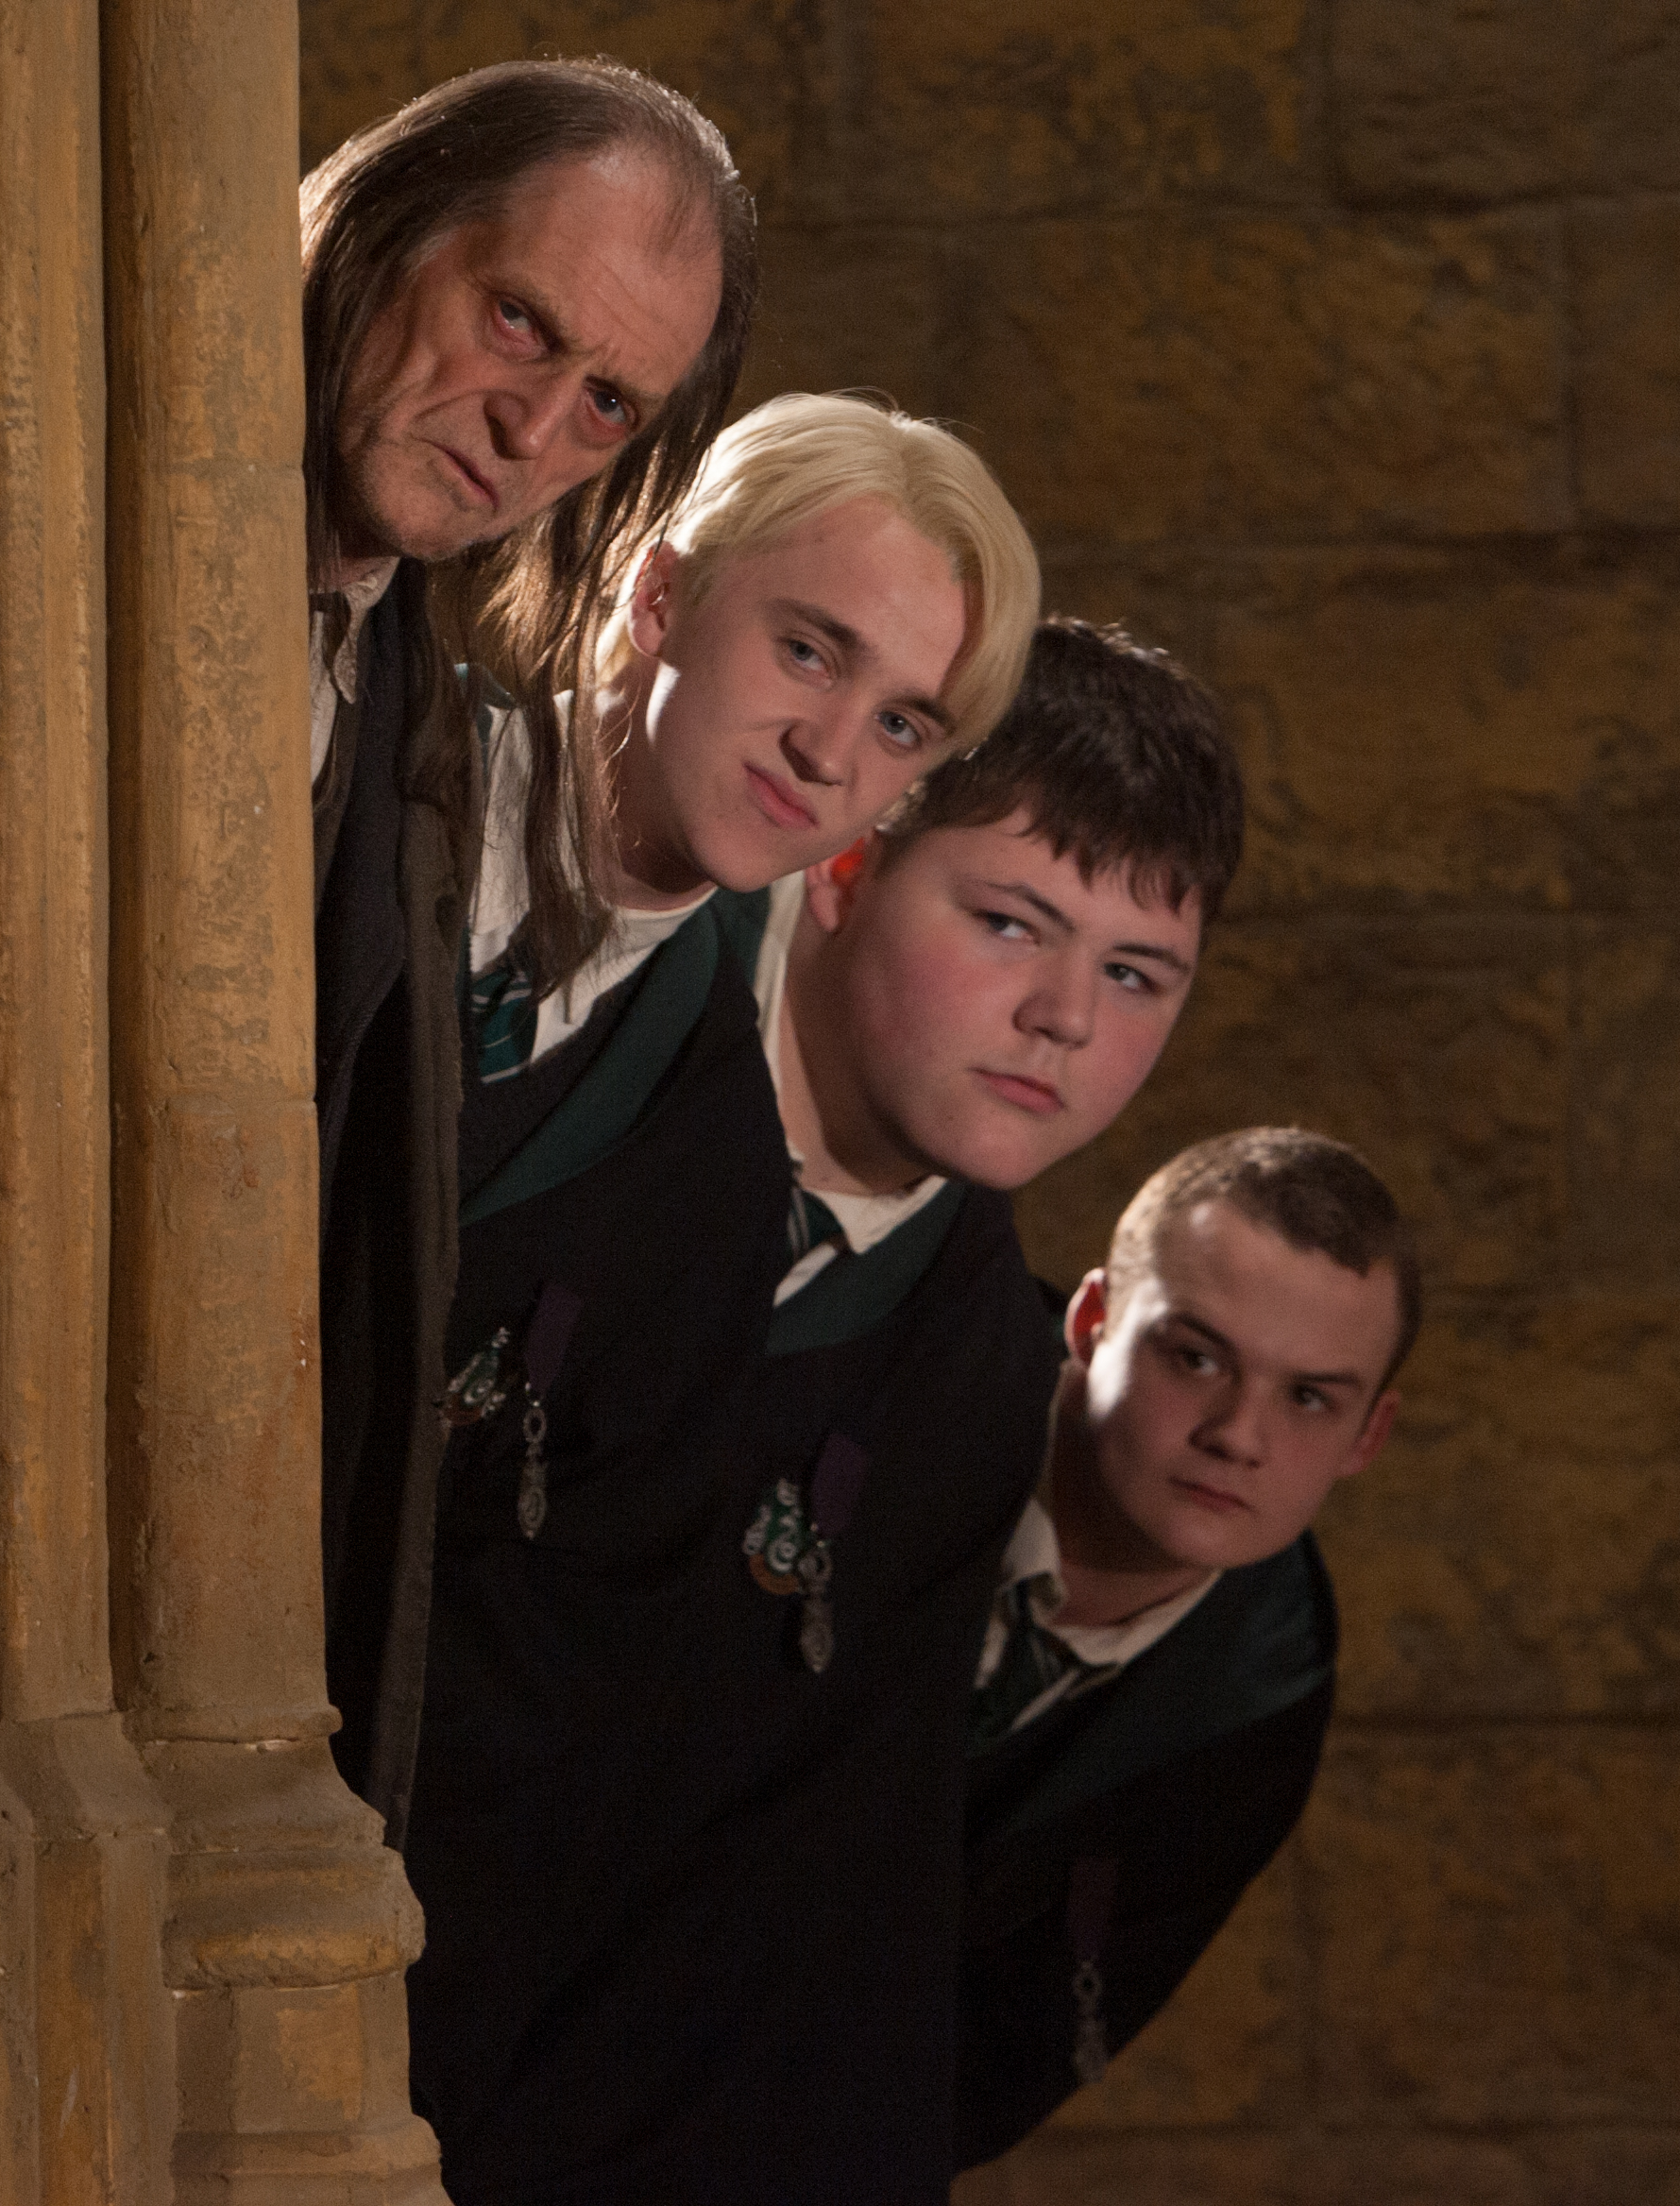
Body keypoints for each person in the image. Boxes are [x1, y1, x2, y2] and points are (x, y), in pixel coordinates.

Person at [397, 617, 1244, 2204]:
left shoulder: (982, 1387)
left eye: (1132, 974)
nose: (1063, 1019)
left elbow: (798, 1960)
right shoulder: (572, 1020)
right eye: (1009, 924)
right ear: (849, 861)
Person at [327, 389, 1038, 1832]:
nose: (829, 750)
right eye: (806, 650)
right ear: (662, 596)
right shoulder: (349, 764)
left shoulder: (714, 1172)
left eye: (899, 721)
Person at [298, 59, 755, 1829]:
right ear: (382, 221)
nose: (527, 423)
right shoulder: (86, 525)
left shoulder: (407, 707)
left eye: (602, 406)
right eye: (514, 319)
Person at [953, 1127, 1417, 2170]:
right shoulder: (884, 1403)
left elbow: (986, 2072)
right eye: (1196, 1356)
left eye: (1308, 1397)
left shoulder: (1258, 1696)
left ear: (1366, 1438)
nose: (1239, 1435)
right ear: (1092, 1321)